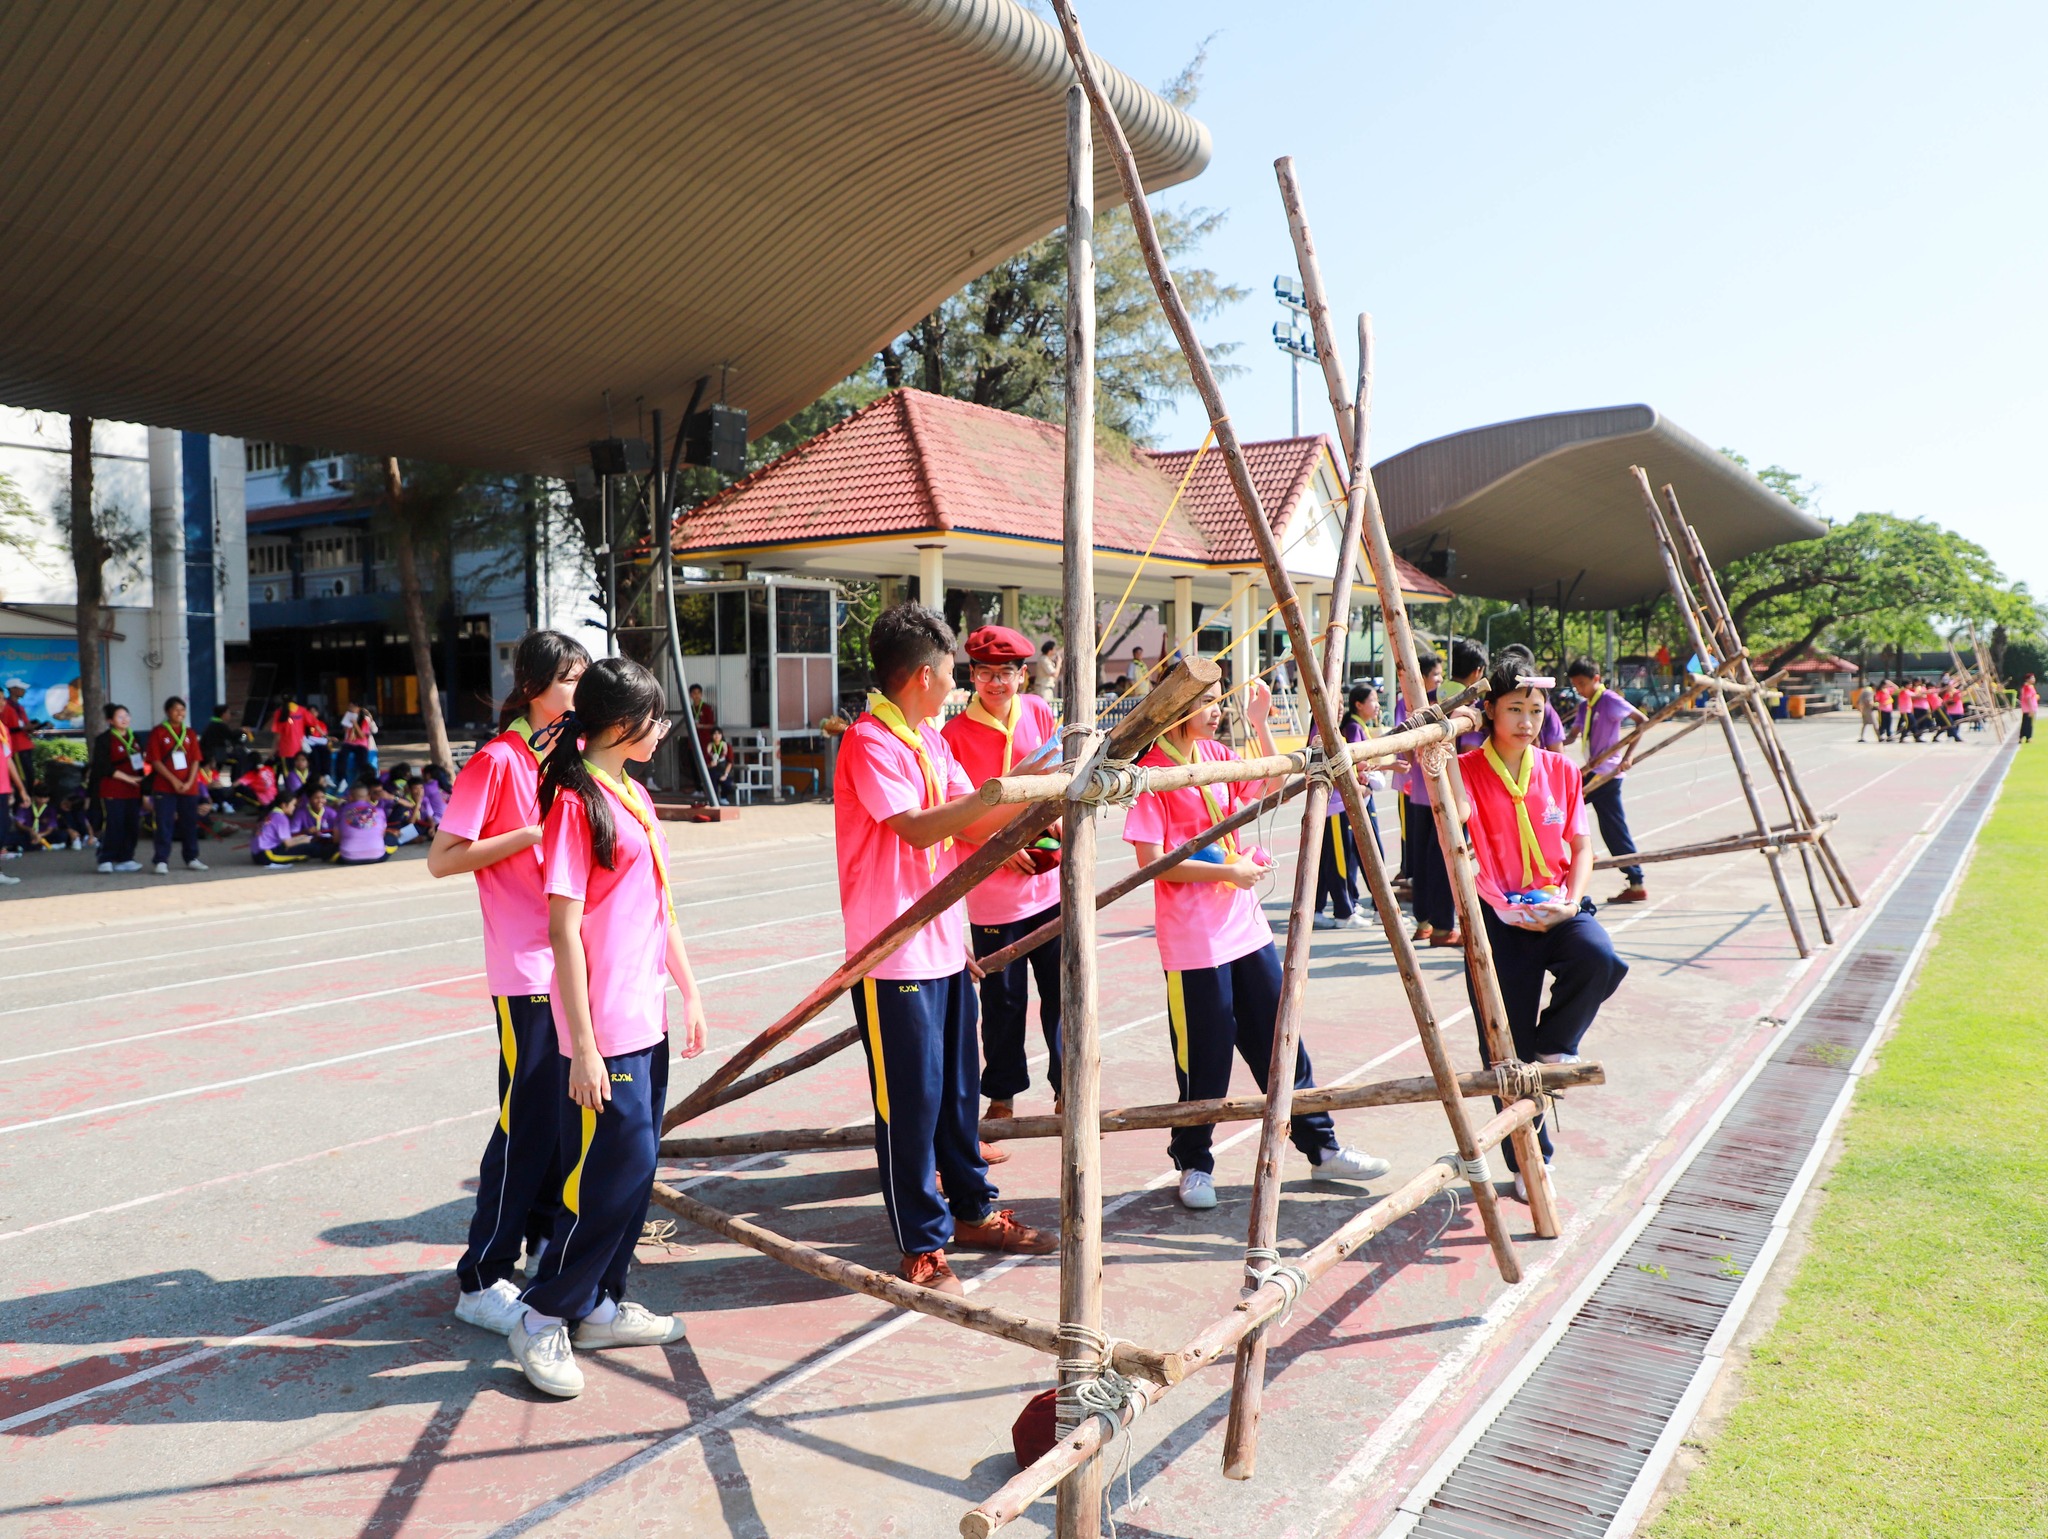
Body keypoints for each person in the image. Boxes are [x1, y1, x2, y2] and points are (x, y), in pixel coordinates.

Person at [835, 603, 1056, 1296]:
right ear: (924, 676)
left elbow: (976, 822)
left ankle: (972, 1210)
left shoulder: (929, 738)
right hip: (893, 955)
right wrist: (1007, 793)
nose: (959, 683)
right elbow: (921, 827)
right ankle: (922, 1243)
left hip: (942, 944)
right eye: (953, 672)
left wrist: (1048, 797)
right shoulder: (870, 741)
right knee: (911, 1103)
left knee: (960, 1094)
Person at [509, 656, 706, 1398]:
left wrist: (689, 989)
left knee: (637, 1171)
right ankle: (541, 1314)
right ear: (621, 725)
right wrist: (583, 1047)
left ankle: (598, 1304)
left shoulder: (634, 794)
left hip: (645, 1016)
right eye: (654, 718)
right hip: (603, 1031)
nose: (663, 729)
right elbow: (563, 930)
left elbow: (660, 906)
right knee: (601, 1181)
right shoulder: (575, 803)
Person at [1123, 675, 1389, 1211]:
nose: (1215, 710)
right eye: (1204, 702)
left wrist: (1262, 724)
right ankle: (1195, 1162)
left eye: (1218, 701)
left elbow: (1268, 785)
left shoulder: (1218, 754)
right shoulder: (1153, 773)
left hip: (1244, 928)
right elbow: (1152, 862)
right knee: (1205, 1057)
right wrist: (1229, 871)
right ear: (1175, 708)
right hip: (1194, 940)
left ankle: (1322, 1147)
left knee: (1280, 1039)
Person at [430, 630, 590, 1338]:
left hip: (571, 965)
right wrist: (529, 834)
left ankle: (543, 1245)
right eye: (569, 680)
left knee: (560, 1118)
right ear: (532, 687)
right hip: (524, 971)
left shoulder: (570, 755)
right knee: (523, 1122)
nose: (579, 692)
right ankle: (481, 1277)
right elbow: (442, 858)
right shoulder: (496, 761)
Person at [1456, 657, 1629, 1201]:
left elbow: (1581, 846)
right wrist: (1437, 752)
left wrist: (1571, 902)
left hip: (1555, 905)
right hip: (1497, 917)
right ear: (1488, 710)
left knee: (1599, 958)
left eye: (1536, 709)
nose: (1527, 721)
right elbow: (1458, 837)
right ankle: (1529, 1161)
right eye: (1514, 709)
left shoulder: (1560, 770)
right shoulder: (1464, 771)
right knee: (1505, 1048)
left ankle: (1555, 1044)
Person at [941, 625, 1064, 1150]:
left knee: (1062, 994)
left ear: (1023, 675)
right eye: (986, 673)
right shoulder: (952, 735)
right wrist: (998, 843)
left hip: (1051, 885)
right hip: (992, 893)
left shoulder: (1038, 712)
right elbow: (954, 812)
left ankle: (1068, 1086)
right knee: (1003, 1002)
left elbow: (1061, 778)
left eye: (1007, 673)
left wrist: (1054, 824)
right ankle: (1002, 1094)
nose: (997, 682)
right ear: (971, 675)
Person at [1563, 656, 1649, 904]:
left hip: (1607, 773)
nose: (1579, 690)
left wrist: (1628, 756)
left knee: (1563, 808)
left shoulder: (1609, 700)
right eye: (1575, 685)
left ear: (1596, 679)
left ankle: (1588, 854)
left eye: (1582, 684)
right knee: (1611, 828)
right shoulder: (1585, 707)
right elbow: (1571, 737)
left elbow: (1641, 721)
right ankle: (1634, 879)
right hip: (1593, 770)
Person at [1394, 648, 1458, 946]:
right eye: (1436, 675)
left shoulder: (1407, 704)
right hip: (1434, 792)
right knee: (1440, 860)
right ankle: (1441, 926)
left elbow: (1405, 749)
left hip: (1419, 793)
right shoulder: (1440, 704)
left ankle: (1424, 923)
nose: (1439, 680)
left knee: (1421, 858)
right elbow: (1406, 749)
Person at [1311, 682, 1380, 930]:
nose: (1340, 708)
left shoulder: (1336, 731)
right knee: (1339, 861)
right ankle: (1344, 912)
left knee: (1327, 861)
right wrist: (1355, 787)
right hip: (1334, 805)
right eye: (1335, 704)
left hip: (1339, 803)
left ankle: (1317, 908)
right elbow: (1324, 770)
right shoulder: (1321, 733)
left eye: (1341, 704)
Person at [145, 696, 209, 874]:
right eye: (176, 709)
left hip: (189, 787)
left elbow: (196, 760)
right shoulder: (158, 732)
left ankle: (191, 857)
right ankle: (161, 860)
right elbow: (155, 761)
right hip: (165, 787)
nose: (180, 713)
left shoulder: (190, 733)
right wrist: (174, 780)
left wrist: (189, 781)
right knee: (164, 823)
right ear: (168, 712)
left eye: (182, 709)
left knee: (189, 823)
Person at [90, 702, 147, 873]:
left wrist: (142, 783)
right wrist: (128, 778)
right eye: (119, 717)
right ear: (110, 721)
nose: (124, 719)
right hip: (112, 788)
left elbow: (140, 763)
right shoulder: (104, 739)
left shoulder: (135, 737)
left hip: (133, 789)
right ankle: (105, 858)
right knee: (114, 823)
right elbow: (103, 766)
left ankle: (126, 857)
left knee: (132, 824)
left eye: (126, 715)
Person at [251, 787, 315, 866]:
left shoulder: (272, 813)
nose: (294, 808)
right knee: (303, 855)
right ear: (284, 805)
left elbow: (286, 840)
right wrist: (305, 840)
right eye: (293, 805)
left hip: (258, 853)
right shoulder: (281, 818)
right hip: (266, 854)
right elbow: (288, 843)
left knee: (301, 846)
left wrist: (302, 837)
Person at [2, 679, 43, 798]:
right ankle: (22, 801)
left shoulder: (19, 707)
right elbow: (5, 729)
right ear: (12, 690)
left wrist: (36, 726)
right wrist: (23, 728)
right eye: (21, 688)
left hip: (26, 745)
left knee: (30, 777)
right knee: (22, 778)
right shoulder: (6, 707)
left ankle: (27, 800)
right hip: (16, 747)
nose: (24, 691)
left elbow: (25, 725)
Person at [332, 782, 392, 864]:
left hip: (348, 858)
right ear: (368, 797)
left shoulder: (342, 811)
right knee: (392, 839)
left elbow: (336, 839)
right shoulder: (379, 811)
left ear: (350, 797)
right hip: (377, 856)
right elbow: (382, 835)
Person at [1855, 678, 1877, 742]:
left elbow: (1858, 701)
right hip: (1868, 709)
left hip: (1863, 709)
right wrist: (1874, 706)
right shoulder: (1869, 691)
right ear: (1874, 686)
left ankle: (1861, 737)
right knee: (1875, 723)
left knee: (1864, 724)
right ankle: (1879, 737)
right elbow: (1869, 701)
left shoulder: (1864, 690)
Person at [2019, 673, 2037, 745]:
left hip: (2028, 708)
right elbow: (2028, 698)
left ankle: (2024, 737)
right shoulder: (2027, 687)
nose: (2033, 679)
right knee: (2027, 724)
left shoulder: (2029, 687)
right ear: (2027, 679)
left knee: (2026, 723)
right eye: (2032, 678)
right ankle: (2028, 737)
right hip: (2028, 709)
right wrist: (2031, 709)